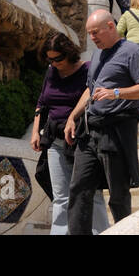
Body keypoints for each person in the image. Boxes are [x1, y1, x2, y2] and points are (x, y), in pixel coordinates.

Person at [63, 9, 139, 234]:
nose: (92, 37)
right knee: (78, 189)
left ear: (111, 27)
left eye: (95, 32)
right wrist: (72, 117)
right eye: (89, 33)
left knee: (118, 194)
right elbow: (90, 89)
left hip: (116, 130)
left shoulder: (132, 52)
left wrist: (116, 93)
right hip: (90, 130)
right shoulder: (97, 54)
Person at [31, 33, 108, 234]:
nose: (55, 63)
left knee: (92, 192)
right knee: (61, 197)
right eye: (50, 59)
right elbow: (42, 103)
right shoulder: (51, 72)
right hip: (55, 141)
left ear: (69, 53)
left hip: (83, 140)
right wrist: (35, 132)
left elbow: (92, 91)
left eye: (58, 58)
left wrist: (73, 117)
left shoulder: (87, 69)